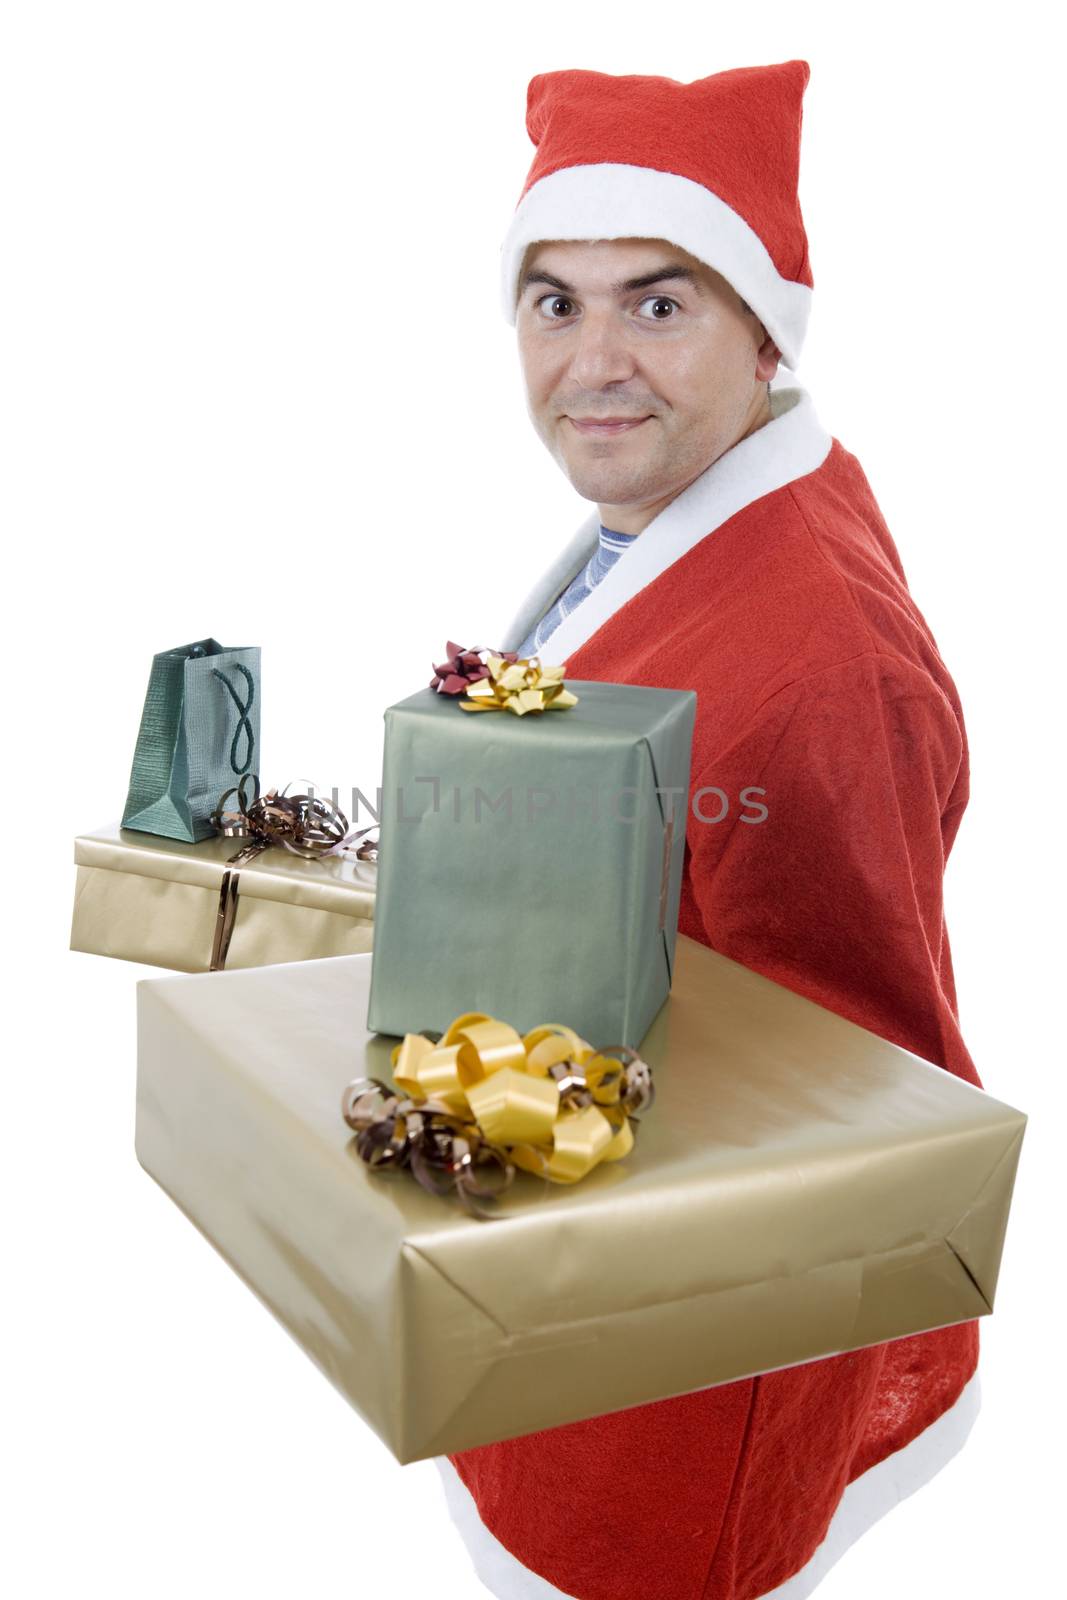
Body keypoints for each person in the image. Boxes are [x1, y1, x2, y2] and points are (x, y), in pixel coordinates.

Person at [433, 61, 982, 1600]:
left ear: (764, 329)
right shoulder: (686, 513)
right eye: (554, 304)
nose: (592, 362)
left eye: (657, 305)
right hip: (545, 1294)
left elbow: (856, 1118)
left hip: (669, 1396)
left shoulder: (822, 664)